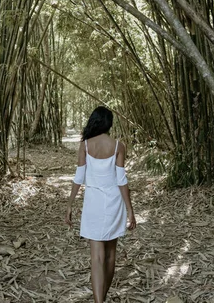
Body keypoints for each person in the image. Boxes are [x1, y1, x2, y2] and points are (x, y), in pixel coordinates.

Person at [65, 106, 137, 303]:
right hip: (114, 202)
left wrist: (70, 204)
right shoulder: (118, 146)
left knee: (96, 257)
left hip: (93, 203)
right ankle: (101, 299)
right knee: (110, 255)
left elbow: (79, 177)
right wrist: (130, 210)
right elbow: (121, 180)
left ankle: (99, 301)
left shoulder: (86, 145)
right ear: (109, 124)